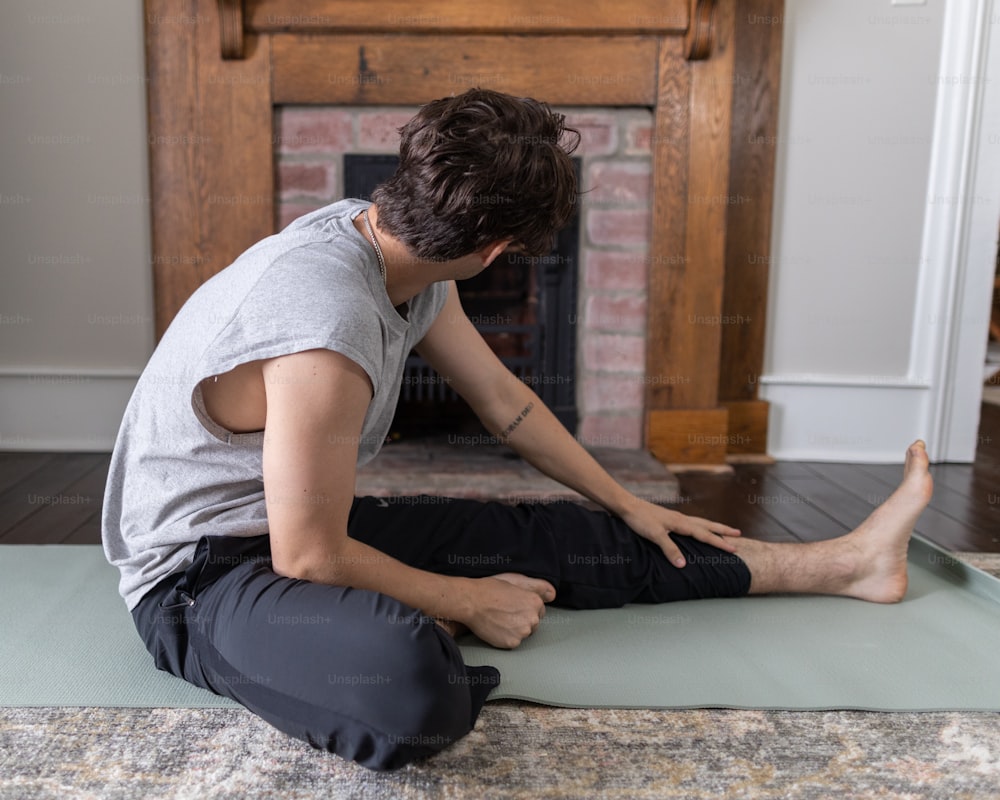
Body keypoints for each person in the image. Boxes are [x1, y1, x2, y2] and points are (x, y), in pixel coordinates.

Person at [102, 88, 934, 772]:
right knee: (409, 693)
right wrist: (465, 598)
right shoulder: (322, 323)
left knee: (561, 534)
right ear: (499, 250)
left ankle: (846, 563)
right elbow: (308, 560)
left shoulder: (395, 248)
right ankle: (410, 627)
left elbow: (508, 406)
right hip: (199, 579)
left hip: (303, 528)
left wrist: (629, 501)